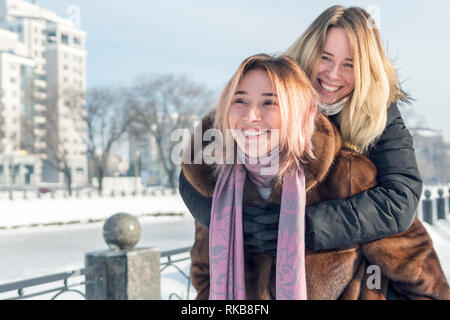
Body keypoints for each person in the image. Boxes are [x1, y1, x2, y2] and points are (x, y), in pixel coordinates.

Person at [181, 54, 449, 300]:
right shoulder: (218, 184)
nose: (251, 115)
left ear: (298, 112)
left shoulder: (347, 174)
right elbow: (205, 278)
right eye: (239, 100)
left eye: (269, 102)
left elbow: (423, 282)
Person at [179, 5, 422, 261]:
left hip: (333, 266)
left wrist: (307, 227)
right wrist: (232, 222)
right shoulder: (274, 81)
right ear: (310, 51)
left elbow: (400, 198)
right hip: (249, 267)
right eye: (325, 57)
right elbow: (192, 171)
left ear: (365, 69)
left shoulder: (378, 111)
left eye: (349, 64)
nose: (333, 74)